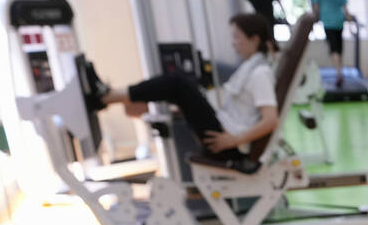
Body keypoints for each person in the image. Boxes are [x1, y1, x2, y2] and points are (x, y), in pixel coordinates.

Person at [86, 13, 278, 168]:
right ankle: (108, 96)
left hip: (225, 142)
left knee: (178, 83)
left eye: (237, 37)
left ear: (254, 39)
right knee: (178, 86)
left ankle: (106, 97)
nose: (233, 43)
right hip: (224, 132)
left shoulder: (260, 73)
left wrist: (232, 141)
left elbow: (271, 120)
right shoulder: (251, 68)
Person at [311, 0, 354, 88]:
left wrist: (316, 18)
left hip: (329, 22)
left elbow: (316, 7)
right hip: (338, 22)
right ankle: (339, 71)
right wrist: (349, 19)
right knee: (338, 48)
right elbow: (345, 9)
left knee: (334, 48)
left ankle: (339, 72)